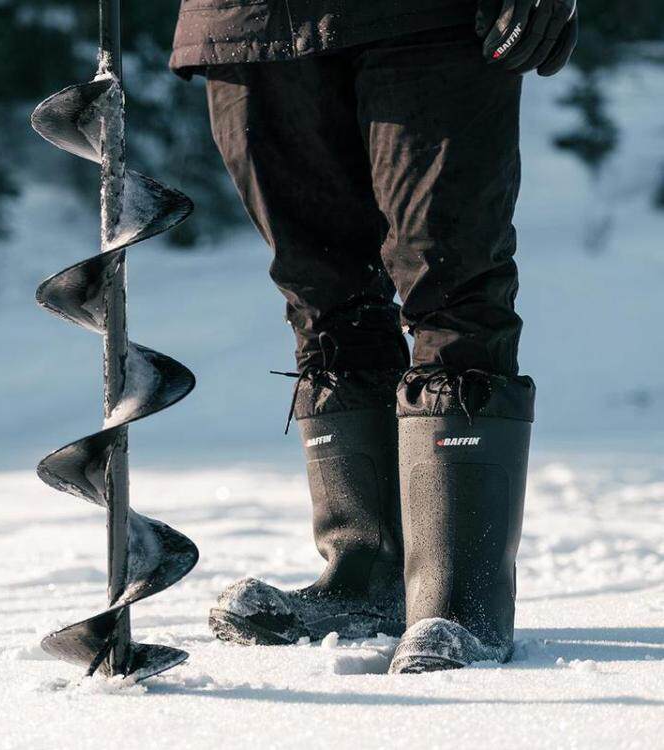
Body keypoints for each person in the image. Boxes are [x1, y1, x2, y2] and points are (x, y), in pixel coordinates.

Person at [170, 0, 578, 673]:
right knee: (323, 298)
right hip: (247, 22)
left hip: (430, 17)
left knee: (450, 279)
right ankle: (368, 577)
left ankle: (461, 602)